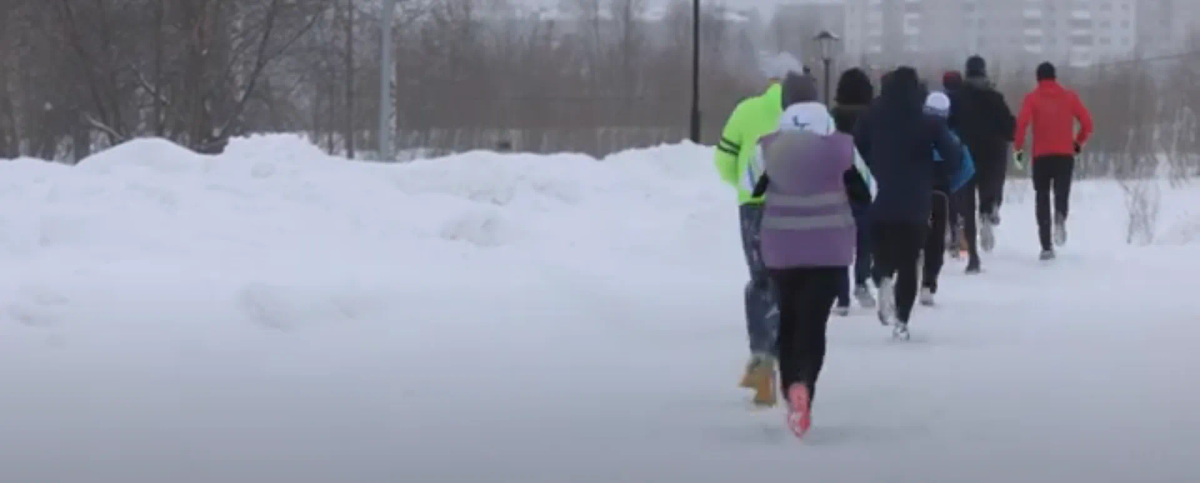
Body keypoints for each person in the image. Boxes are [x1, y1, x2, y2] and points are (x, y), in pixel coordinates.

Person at [748, 96, 872, 438]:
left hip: (781, 250)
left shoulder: (767, 149)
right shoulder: (842, 150)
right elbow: (869, 189)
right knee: (813, 325)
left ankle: (791, 390)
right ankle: (805, 387)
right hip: (829, 252)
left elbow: (748, 187)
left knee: (788, 320)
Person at [714, 65, 816, 407]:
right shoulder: (811, 115)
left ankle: (761, 359)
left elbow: (723, 160)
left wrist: (743, 187)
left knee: (760, 280)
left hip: (755, 207)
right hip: (796, 204)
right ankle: (792, 361)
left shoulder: (746, 110)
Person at [854, 67, 966, 338]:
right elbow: (953, 157)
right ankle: (902, 320)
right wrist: (938, 171)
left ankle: (881, 277)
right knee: (909, 260)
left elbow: (855, 149)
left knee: (882, 248)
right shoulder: (927, 120)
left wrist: (871, 167)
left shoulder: (871, 116)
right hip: (915, 201)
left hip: (878, 197)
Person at [1013, 62, 1094, 260]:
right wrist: (1078, 142)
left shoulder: (1032, 98)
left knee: (1042, 197)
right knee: (1061, 192)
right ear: (1055, 77)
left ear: (1037, 78)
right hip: (1065, 154)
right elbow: (1087, 123)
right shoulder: (1069, 97)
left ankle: (1046, 246)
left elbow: (1022, 125)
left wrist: (1018, 150)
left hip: (1041, 157)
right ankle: (1060, 215)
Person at [953, 56, 1016, 274]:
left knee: (967, 206)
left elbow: (948, 128)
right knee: (991, 187)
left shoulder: (957, 99)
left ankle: (973, 258)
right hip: (992, 156)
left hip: (966, 157)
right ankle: (989, 209)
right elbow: (1010, 129)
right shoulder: (995, 98)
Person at [830, 68, 878, 315]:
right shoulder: (872, 119)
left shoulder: (831, 118)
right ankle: (862, 280)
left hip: (836, 188)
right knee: (864, 240)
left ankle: (841, 295)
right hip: (864, 186)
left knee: (839, 243)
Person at [920, 92, 976, 306]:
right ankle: (928, 283)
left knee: (911, 236)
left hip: (915, 192)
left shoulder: (913, 135)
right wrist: (950, 188)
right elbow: (968, 167)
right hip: (940, 194)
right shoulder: (952, 138)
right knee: (936, 239)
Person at [941, 71, 967, 259]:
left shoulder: (942, 102)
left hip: (944, 151)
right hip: (964, 150)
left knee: (947, 195)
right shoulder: (967, 101)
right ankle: (961, 236)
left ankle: (950, 231)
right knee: (961, 194)